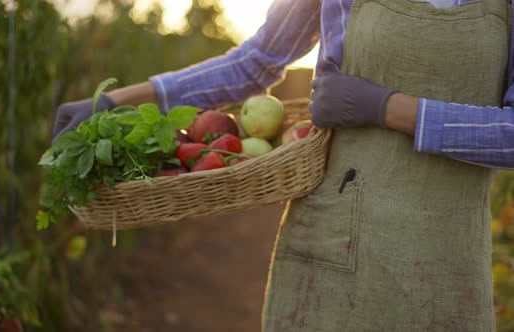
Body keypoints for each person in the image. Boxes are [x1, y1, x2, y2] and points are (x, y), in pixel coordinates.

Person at [53, 0, 514, 330]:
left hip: (447, 259)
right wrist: (115, 101)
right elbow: (254, 62)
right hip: (337, 244)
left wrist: (386, 108)